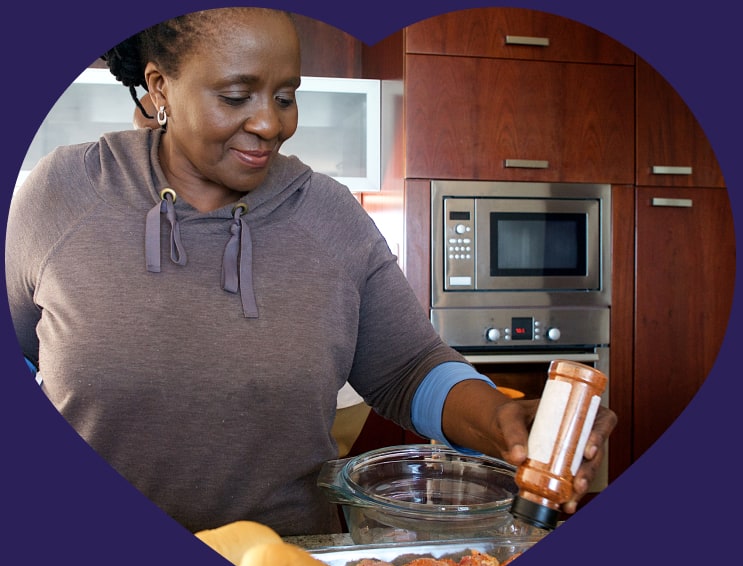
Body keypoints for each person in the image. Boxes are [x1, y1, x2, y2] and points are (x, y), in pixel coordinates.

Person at [5, 7, 616, 537]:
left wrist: (497, 418)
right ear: (160, 87)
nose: (272, 124)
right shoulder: (64, 193)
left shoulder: (328, 215)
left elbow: (408, 370)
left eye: (285, 95)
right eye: (237, 96)